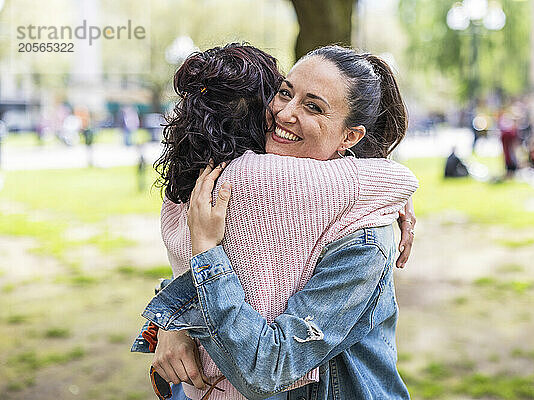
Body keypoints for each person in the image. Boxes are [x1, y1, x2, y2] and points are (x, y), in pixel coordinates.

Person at [134, 44, 417, 400]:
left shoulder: (362, 240)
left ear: (350, 136)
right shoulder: (259, 190)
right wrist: (171, 325)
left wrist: (204, 258)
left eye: (313, 107)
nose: (285, 113)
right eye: (285, 92)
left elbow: (267, 368)